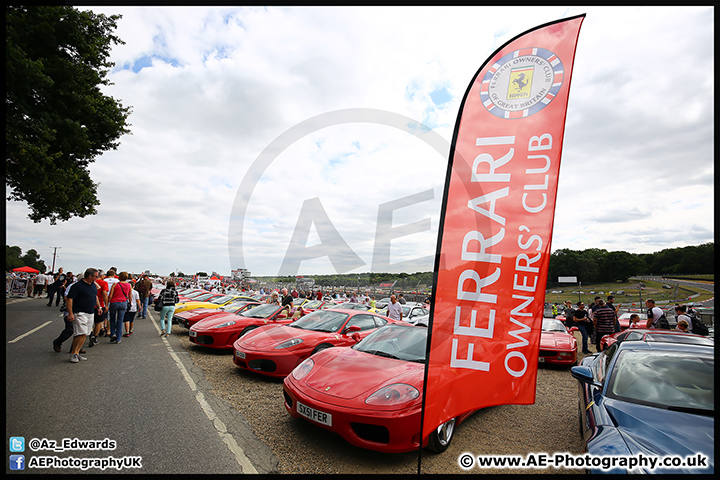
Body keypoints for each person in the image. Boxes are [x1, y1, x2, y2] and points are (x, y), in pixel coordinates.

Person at [65, 268, 101, 363]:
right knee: (80, 333)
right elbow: (69, 299)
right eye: (96, 276)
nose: (97, 278)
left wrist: (99, 307)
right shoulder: (77, 286)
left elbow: (95, 296)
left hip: (90, 312)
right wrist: (70, 313)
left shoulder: (93, 285)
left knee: (85, 333)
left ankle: (77, 352)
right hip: (79, 312)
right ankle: (73, 353)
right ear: (90, 276)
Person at [53, 276, 80, 353]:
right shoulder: (73, 286)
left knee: (80, 331)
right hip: (71, 311)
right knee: (70, 329)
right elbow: (66, 297)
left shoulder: (88, 286)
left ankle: (75, 349)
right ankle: (58, 342)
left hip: (81, 312)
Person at [107, 271, 132, 343]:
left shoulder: (115, 284)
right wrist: (130, 303)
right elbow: (129, 296)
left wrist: (107, 302)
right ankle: (118, 338)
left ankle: (113, 333)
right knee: (120, 320)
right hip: (123, 303)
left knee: (112, 318)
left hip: (114, 302)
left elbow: (111, 295)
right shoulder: (129, 285)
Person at [89, 269, 109, 347]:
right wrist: (106, 304)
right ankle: (95, 336)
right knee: (98, 322)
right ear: (101, 275)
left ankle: (90, 334)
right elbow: (104, 294)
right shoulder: (103, 283)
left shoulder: (90, 282)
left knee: (90, 322)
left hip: (90, 304)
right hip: (100, 304)